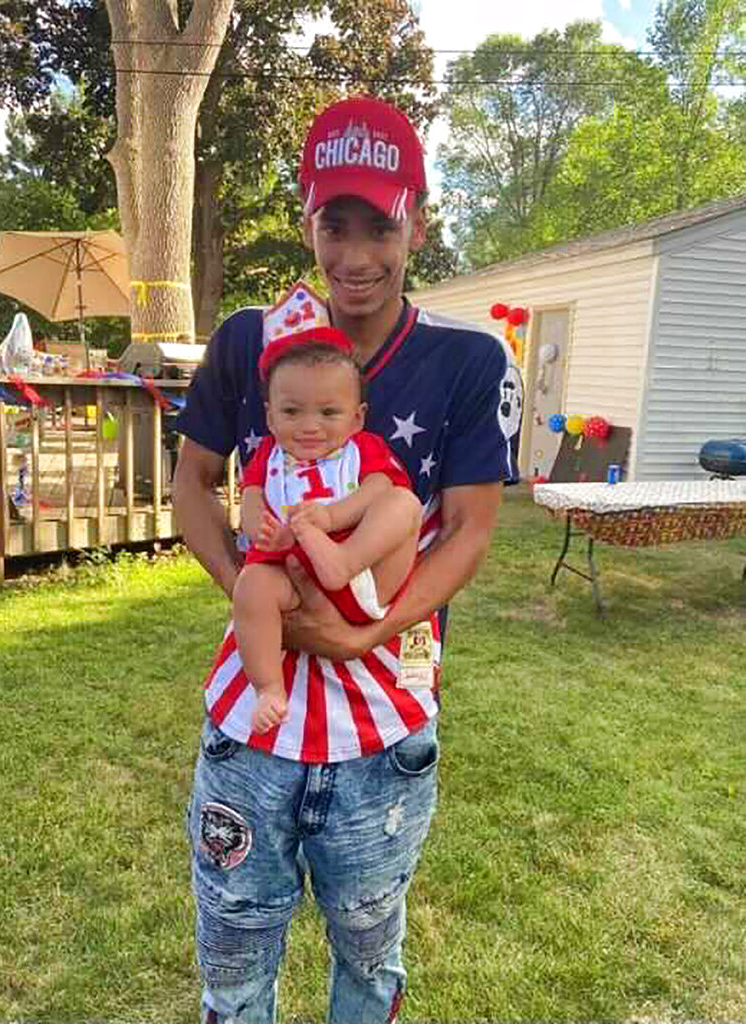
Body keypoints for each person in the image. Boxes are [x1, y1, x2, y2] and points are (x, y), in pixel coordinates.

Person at [173, 94, 522, 1024]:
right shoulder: (252, 340)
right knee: (237, 960)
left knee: (370, 956)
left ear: (417, 219)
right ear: (306, 221)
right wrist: (269, 603)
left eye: (382, 224)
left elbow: (472, 529)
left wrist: (361, 628)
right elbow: (191, 487)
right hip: (256, 724)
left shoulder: (469, 362)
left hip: (387, 723)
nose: (358, 254)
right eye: (336, 223)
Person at [234, 325, 422, 734]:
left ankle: (342, 559)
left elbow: (380, 486)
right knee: (250, 585)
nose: (309, 426)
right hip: (294, 580)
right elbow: (251, 494)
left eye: (328, 412)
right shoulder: (268, 454)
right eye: (291, 411)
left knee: (404, 503)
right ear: (269, 415)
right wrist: (259, 527)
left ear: (357, 418)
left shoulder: (364, 448)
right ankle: (268, 686)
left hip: (361, 575)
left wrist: (332, 518)